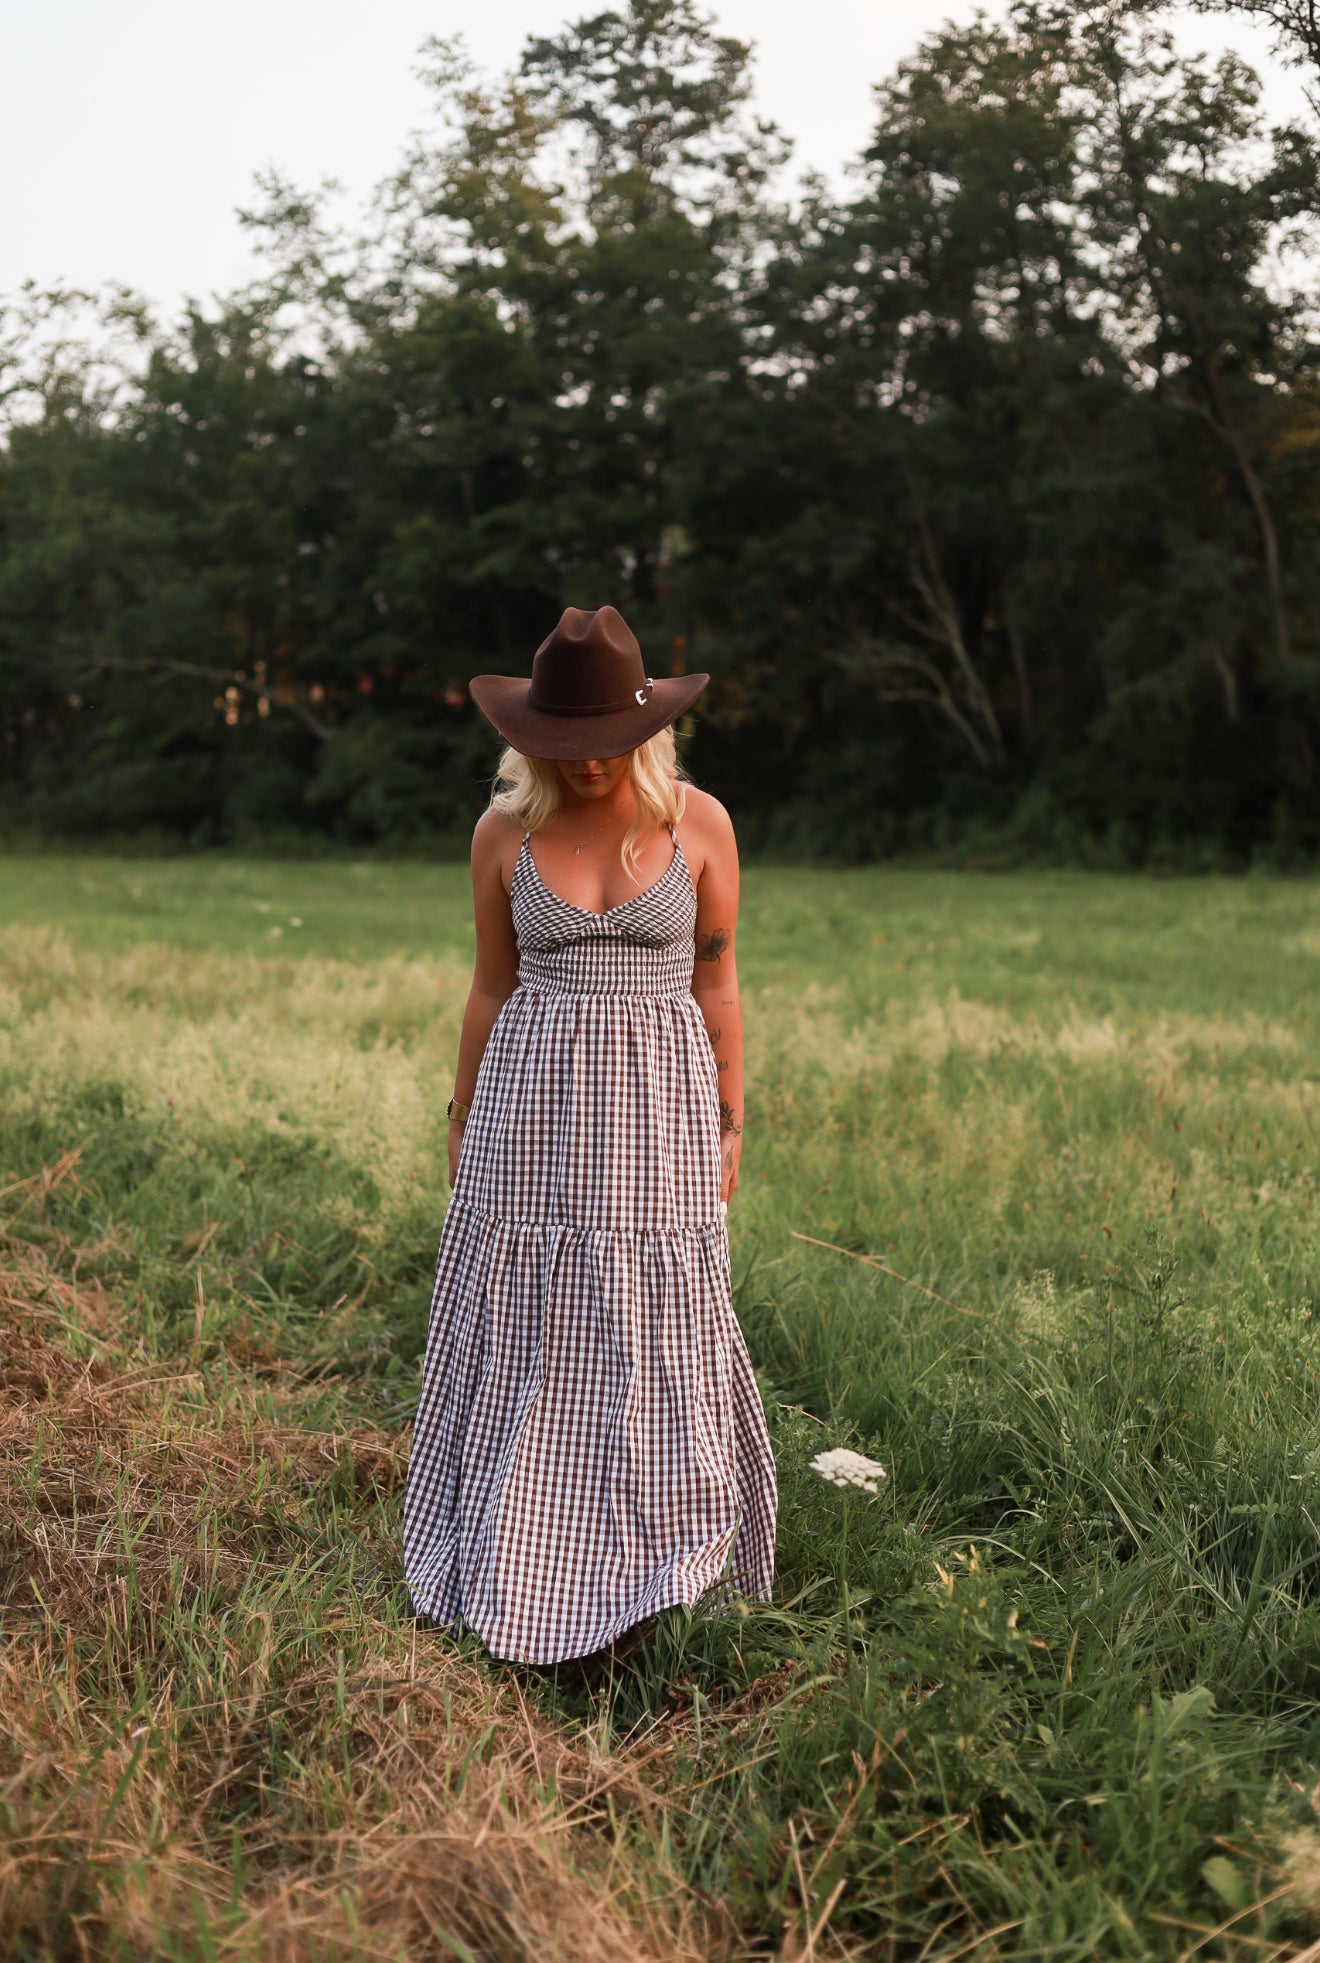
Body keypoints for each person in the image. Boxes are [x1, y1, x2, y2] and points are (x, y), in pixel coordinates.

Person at [403, 604, 777, 1664]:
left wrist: (732, 1120)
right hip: (531, 1113)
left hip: (658, 1111)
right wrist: (462, 1117)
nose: (595, 763)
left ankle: (657, 1554)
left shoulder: (700, 824)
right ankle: (529, 1542)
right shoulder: (503, 834)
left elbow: (718, 981)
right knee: (538, 1314)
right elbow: (489, 988)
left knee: (653, 1308)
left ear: (647, 727)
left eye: (612, 741)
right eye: (570, 745)